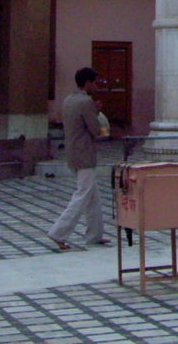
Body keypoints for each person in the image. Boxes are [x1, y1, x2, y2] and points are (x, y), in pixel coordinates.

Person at [48, 66, 109, 250]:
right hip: (85, 155)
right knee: (82, 194)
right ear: (88, 83)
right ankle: (58, 232)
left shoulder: (69, 100)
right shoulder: (85, 102)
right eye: (95, 82)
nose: (96, 86)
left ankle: (94, 234)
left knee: (93, 197)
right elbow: (97, 130)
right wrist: (107, 128)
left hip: (73, 154)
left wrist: (94, 111)